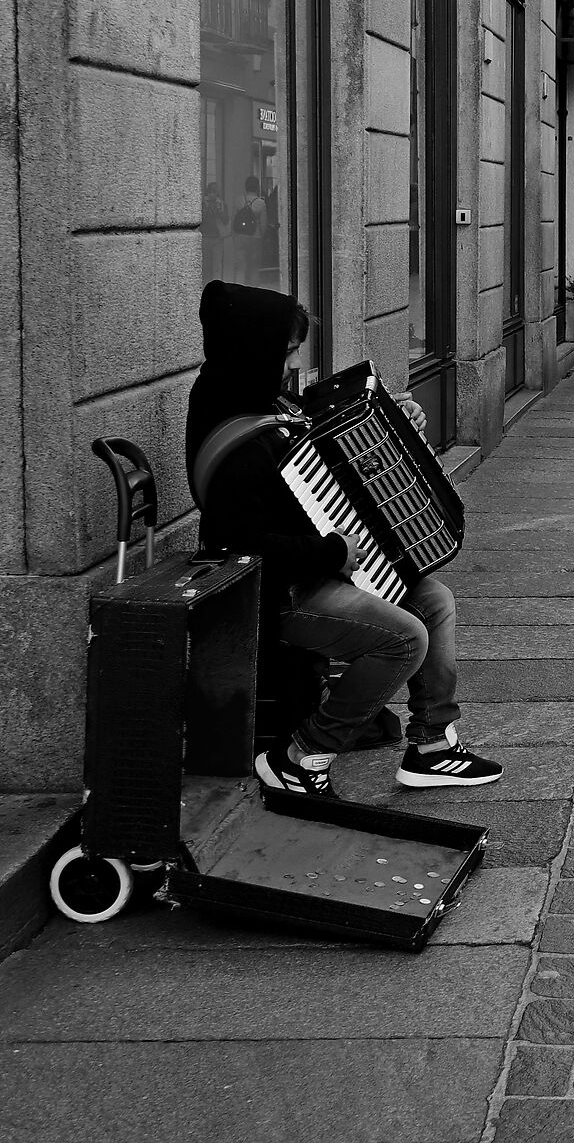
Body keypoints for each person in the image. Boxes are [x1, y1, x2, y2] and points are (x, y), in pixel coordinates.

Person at [189, 281, 500, 796]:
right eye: (287, 351)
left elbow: (326, 442)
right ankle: (300, 757)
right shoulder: (236, 433)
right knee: (406, 636)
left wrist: (398, 417)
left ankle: (432, 745)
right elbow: (236, 543)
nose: (293, 362)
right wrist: (332, 551)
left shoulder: (257, 395)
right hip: (277, 594)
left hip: (314, 569)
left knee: (435, 600)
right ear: (255, 346)